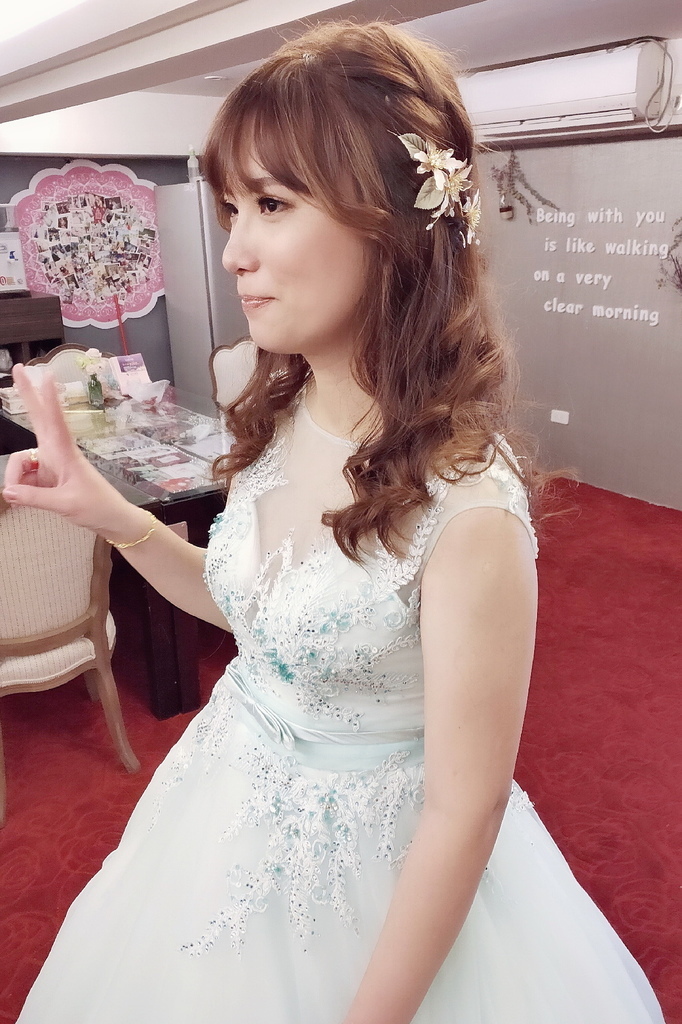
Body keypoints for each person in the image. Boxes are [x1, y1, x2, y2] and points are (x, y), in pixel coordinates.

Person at [3, 20, 666, 1024]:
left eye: (272, 204)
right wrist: (107, 512)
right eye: (232, 209)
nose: (233, 251)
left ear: (390, 226)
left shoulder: (467, 505)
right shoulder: (280, 414)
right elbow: (254, 613)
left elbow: (466, 807)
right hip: (225, 795)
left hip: (381, 870)